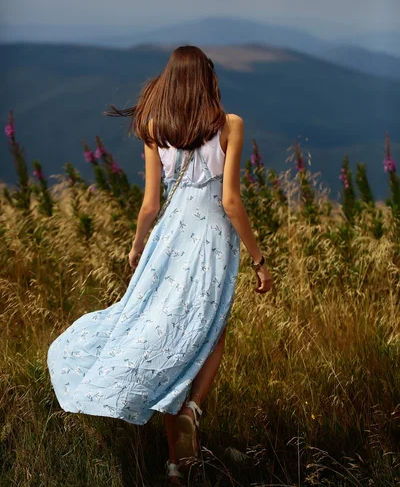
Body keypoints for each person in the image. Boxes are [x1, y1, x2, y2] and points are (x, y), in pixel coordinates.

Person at [46, 45, 273, 485]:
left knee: (168, 332)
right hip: (211, 245)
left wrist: (137, 247)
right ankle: (191, 410)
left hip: (168, 243)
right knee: (208, 332)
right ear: (207, 80)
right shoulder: (230, 126)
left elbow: (150, 204)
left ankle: (179, 461)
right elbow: (230, 201)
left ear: (170, 82)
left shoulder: (154, 127)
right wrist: (261, 260)